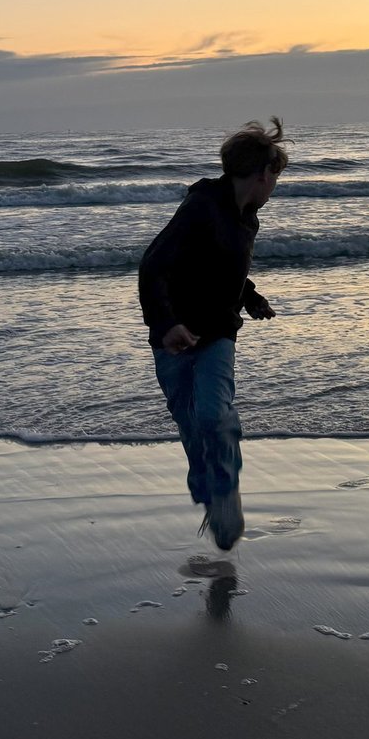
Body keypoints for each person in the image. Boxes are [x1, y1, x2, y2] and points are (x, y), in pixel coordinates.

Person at [138, 118, 288, 552]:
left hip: (219, 333)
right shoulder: (201, 207)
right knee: (190, 422)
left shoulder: (247, 218)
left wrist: (250, 296)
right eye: (275, 176)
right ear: (262, 174)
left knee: (212, 415)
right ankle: (208, 487)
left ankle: (224, 493)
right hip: (173, 336)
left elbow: (224, 267)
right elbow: (152, 266)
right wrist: (166, 325)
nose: (274, 187)